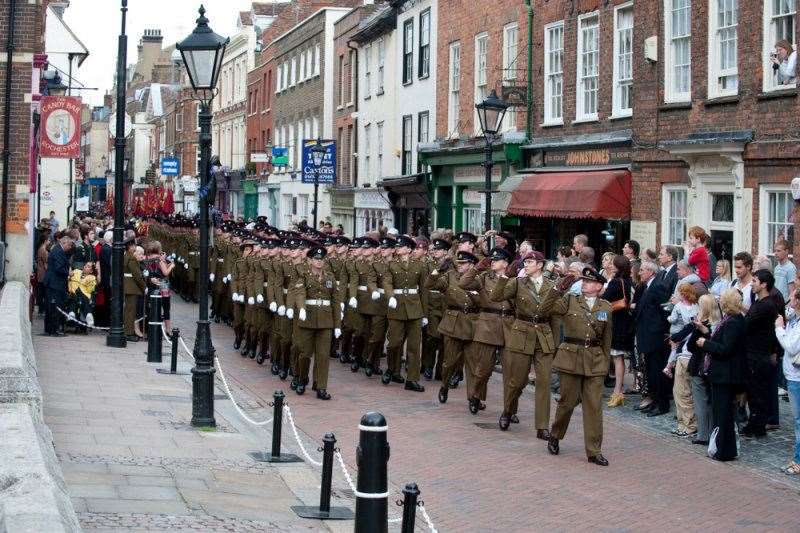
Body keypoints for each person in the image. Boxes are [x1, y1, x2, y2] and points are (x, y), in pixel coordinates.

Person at [547, 266, 613, 467]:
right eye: (583, 280)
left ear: (599, 286)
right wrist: (558, 289)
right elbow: (548, 308)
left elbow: (607, 339)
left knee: (593, 406)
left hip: (594, 359)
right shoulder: (569, 300)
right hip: (571, 357)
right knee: (567, 401)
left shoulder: (606, 307)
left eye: (589, 281)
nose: (584, 283)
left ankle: (594, 451)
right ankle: (555, 435)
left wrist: (604, 361)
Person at [490, 250, 560, 434]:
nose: (526, 265)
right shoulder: (517, 283)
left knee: (544, 383)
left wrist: (556, 343)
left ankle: (542, 426)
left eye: (530, 262)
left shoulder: (552, 285)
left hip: (543, 336)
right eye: (525, 262)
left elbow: (554, 317)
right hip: (521, 334)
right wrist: (505, 276)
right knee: (517, 381)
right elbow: (495, 297)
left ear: (540, 265)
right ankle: (508, 410)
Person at [695, 288, 747, 462]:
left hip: (726, 374)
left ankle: (724, 450)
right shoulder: (731, 319)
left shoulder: (733, 322)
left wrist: (706, 344)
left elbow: (725, 349)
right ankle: (724, 448)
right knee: (721, 412)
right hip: (723, 373)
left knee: (723, 413)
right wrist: (707, 334)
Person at [425, 251, 478, 404]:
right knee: (449, 361)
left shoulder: (478, 278)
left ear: (471, 265)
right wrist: (437, 270)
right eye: (458, 263)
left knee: (472, 363)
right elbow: (429, 285)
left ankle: (472, 397)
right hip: (453, 322)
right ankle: (444, 386)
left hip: (472, 322)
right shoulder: (449, 276)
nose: (460, 266)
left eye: (463, 263)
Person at [295, 246, 342, 399]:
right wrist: (301, 308)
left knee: (323, 355)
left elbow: (335, 301)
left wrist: (337, 325)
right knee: (305, 354)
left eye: (321, 259)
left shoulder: (330, 278)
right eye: (316, 259)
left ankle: (321, 386)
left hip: (326, 321)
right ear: (310, 260)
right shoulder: (303, 275)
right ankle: (302, 379)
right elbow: (300, 293)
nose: (319, 262)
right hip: (307, 318)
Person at [383, 235, 427, 392]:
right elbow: (387, 282)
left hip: (415, 308)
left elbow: (423, 290)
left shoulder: (420, 265)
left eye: (401, 246)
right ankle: (391, 368)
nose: (398, 248)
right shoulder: (391, 264)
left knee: (414, 347)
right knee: (394, 342)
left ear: (409, 249)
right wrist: (391, 296)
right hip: (397, 306)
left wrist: (425, 314)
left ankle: (412, 379)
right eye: (397, 246)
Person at [741, 269, 780, 438]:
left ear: (764, 284)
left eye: (755, 281)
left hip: (758, 355)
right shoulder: (760, 303)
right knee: (753, 391)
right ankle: (755, 423)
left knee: (757, 392)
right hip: (755, 353)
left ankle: (757, 425)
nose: (752, 283)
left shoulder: (766, 305)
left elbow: (748, 324)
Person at [663, 284, 700, 437]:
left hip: (686, 355)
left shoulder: (691, 315)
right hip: (684, 353)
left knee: (682, 392)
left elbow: (683, 332)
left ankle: (689, 425)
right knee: (681, 392)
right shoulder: (692, 308)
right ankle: (683, 423)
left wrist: (675, 338)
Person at [686, 294, 722, 445]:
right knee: (711, 402)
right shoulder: (719, 324)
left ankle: (703, 434)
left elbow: (690, 346)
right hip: (714, 367)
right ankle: (713, 431)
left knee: (701, 402)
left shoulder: (702, 325)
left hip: (699, 366)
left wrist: (697, 329)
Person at [774, 287, 800, 475]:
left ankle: (798, 460)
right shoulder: (794, 320)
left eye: (791, 297)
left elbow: (791, 347)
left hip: (797, 378)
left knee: (799, 421)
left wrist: (779, 329)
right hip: (792, 375)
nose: (789, 300)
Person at [602, 255, 633, 407]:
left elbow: (604, 300)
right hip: (623, 320)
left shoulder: (615, 282)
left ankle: (617, 391)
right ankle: (618, 390)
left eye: (614, 264)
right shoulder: (627, 281)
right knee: (618, 357)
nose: (611, 266)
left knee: (617, 357)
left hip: (616, 321)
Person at [43, 235, 73, 336]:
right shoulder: (58, 251)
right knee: (55, 306)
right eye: (69, 245)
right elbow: (59, 268)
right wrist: (69, 273)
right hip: (54, 284)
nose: (70, 248)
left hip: (54, 283)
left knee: (52, 306)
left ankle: (50, 329)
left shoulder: (57, 250)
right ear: (64, 243)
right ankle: (53, 330)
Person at [123, 239, 145, 342]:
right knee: (131, 312)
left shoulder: (126, 255)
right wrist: (144, 287)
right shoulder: (131, 258)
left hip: (127, 286)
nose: (135, 247)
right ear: (130, 246)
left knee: (128, 311)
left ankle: (128, 331)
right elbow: (137, 275)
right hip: (131, 287)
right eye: (133, 245)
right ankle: (129, 332)